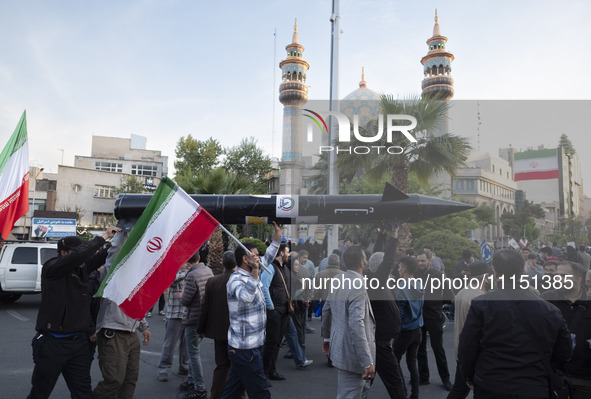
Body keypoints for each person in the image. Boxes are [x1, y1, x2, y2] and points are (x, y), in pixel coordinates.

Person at [458, 249, 572, 398]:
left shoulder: (482, 305)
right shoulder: (551, 310)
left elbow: (467, 346)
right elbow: (565, 351)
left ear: (496, 274)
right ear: (523, 272)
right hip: (534, 385)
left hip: (491, 384)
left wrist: (468, 376)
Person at [28, 228, 118, 399]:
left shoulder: (81, 267)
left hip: (79, 344)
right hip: (52, 344)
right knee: (40, 392)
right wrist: (103, 236)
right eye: (76, 251)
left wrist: (120, 238)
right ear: (63, 253)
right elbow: (79, 256)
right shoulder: (52, 268)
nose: (82, 255)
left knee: (83, 392)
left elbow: (104, 255)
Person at [221, 222, 282, 399]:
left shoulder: (253, 271)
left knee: (233, 391)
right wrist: (256, 273)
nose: (258, 258)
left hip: (250, 346)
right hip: (244, 348)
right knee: (261, 392)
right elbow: (246, 297)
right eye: (255, 256)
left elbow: (269, 256)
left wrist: (277, 236)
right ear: (245, 259)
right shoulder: (235, 280)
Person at [93, 231, 152, 399]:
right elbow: (114, 253)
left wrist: (143, 326)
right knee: (113, 381)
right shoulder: (111, 275)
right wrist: (122, 231)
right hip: (113, 332)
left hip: (131, 333)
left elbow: (136, 304)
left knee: (130, 379)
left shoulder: (134, 278)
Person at [321, 246, 376, 398]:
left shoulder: (338, 279)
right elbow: (357, 325)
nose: (366, 261)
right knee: (349, 395)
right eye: (365, 258)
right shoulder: (358, 285)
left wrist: (326, 337)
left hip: (341, 348)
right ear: (361, 262)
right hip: (354, 356)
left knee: (359, 392)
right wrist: (367, 361)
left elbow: (327, 309)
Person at [366, 227, 406, 399]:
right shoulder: (376, 282)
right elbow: (387, 260)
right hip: (380, 344)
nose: (391, 269)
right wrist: (393, 237)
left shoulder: (375, 279)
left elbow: (377, 256)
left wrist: (381, 235)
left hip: (381, 341)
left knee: (368, 382)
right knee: (395, 382)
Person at [541, 261, 591, 398]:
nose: (559, 279)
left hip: (584, 378)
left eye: (564, 276)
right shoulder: (546, 300)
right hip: (554, 375)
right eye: (557, 275)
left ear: (578, 279)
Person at [446, 261, 491, 399]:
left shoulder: (462, 292)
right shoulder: (479, 297)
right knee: (463, 390)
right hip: (473, 352)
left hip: (461, 348)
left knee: (459, 389)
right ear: (485, 277)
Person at [197, 251, 237, 399]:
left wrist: (201, 329)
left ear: (222, 264)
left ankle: (216, 395)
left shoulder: (213, 282)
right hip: (238, 332)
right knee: (238, 367)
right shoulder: (242, 282)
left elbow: (205, 307)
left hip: (219, 331)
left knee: (221, 366)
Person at [416, 251, 452, 391]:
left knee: (438, 349)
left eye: (423, 261)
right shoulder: (415, 274)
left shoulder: (438, 275)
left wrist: (437, 304)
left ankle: (446, 379)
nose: (420, 263)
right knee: (420, 349)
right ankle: (423, 377)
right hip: (418, 316)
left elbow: (449, 295)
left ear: (429, 261)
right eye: (418, 261)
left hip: (433, 316)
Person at [393, 256, 425, 399]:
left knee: (395, 360)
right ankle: (415, 394)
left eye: (400, 267)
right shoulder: (419, 284)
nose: (398, 269)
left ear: (404, 269)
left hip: (404, 331)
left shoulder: (401, 286)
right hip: (417, 330)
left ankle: (403, 392)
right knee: (412, 363)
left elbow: (399, 312)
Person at [260, 242, 291, 381]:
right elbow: (264, 287)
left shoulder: (284, 268)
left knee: (277, 342)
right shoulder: (271, 268)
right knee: (271, 343)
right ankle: (264, 373)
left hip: (283, 311)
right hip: (275, 312)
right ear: (281, 253)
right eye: (287, 251)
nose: (289, 254)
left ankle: (271, 370)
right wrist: (271, 308)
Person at [180, 252, 208, 399]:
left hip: (193, 319)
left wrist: (182, 294)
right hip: (203, 318)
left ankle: (200, 388)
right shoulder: (207, 270)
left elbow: (185, 300)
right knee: (194, 352)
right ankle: (191, 381)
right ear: (199, 258)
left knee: (193, 354)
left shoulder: (192, 275)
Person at [157, 261, 190, 382]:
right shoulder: (173, 272)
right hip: (174, 314)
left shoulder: (191, 274)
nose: (187, 263)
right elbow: (171, 281)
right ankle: (163, 370)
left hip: (188, 314)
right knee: (169, 344)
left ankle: (184, 366)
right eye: (184, 261)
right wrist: (187, 272)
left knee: (186, 345)